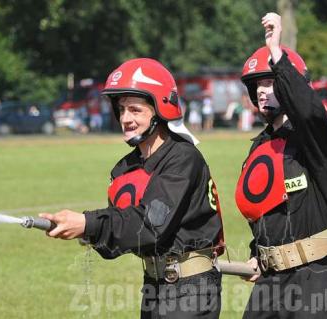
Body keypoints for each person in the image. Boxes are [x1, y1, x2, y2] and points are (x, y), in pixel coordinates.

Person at [40, 58, 224, 318]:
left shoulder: (183, 158)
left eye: (135, 110)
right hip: (154, 287)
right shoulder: (126, 168)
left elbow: (151, 226)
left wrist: (88, 223)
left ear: (160, 110)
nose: (126, 119)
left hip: (191, 290)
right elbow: (121, 239)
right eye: (121, 110)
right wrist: (88, 232)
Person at [236, 13, 327, 318]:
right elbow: (265, 213)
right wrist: (259, 254)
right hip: (270, 282)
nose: (263, 90)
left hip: (317, 280)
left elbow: (310, 113)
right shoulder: (260, 147)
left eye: (271, 82)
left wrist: (278, 55)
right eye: (258, 85)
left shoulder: (316, 140)